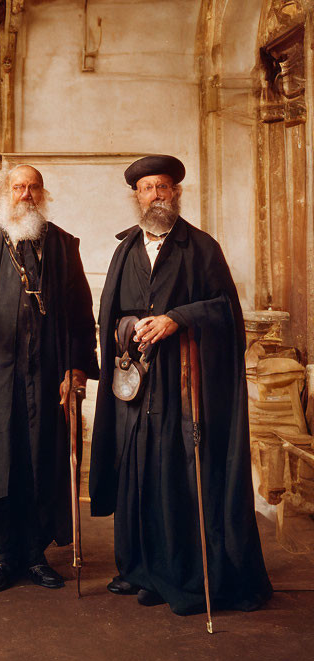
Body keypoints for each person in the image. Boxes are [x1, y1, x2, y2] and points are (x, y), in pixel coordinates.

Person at [89, 154, 272, 614]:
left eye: (164, 187)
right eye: (148, 188)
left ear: (176, 193)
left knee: (177, 477)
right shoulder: (125, 249)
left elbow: (226, 312)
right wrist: (131, 327)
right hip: (138, 387)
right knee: (138, 472)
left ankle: (177, 573)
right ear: (137, 196)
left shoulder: (202, 248)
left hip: (185, 388)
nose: (157, 195)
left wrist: (176, 319)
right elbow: (110, 316)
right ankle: (138, 568)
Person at [0, 164, 99, 592]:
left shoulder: (62, 245)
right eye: (18, 187)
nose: (26, 195)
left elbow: (78, 314)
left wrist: (74, 369)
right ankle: (0, 555)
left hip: (47, 375)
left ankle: (35, 554)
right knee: (1, 462)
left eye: (33, 187)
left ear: (43, 193)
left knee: (40, 460)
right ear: (6, 194)